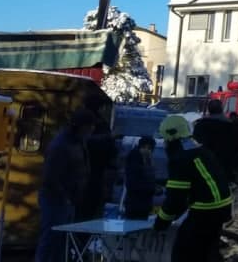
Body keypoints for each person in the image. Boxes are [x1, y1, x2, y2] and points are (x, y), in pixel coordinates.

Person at [154, 115, 232, 262]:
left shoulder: (180, 158)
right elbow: (196, 180)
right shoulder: (199, 149)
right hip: (223, 207)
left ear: (171, 136)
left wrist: (161, 222)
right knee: (208, 250)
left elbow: (175, 200)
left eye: (165, 139)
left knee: (183, 253)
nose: (164, 143)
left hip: (206, 210)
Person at [35, 108, 95, 262]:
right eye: (89, 127)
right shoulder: (61, 146)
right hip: (56, 199)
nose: (91, 130)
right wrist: (65, 197)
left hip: (67, 198)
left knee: (62, 241)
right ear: (81, 126)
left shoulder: (76, 141)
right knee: (51, 239)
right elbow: (50, 177)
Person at [77, 94, 117, 222]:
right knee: (87, 210)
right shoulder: (91, 122)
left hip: (96, 171)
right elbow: (85, 141)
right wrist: (109, 139)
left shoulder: (97, 121)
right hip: (90, 171)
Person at [192, 99, 238, 182]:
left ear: (209, 109)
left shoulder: (200, 125)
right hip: (225, 167)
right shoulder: (231, 126)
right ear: (221, 109)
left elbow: (195, 143)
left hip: (205, 168)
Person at [122, 136, 157, 220]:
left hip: (142, 202)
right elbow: (134, 182)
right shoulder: (136, 159)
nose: (147, 150)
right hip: (136, 203)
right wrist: (152, 189)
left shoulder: (146, 159)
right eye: (145, 147)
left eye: (150, 148)